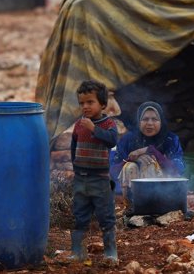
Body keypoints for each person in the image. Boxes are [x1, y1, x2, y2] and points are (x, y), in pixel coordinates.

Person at [70, 80, 119, 263]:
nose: (85, 107)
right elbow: (73, 146)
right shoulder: (78, 125)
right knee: (79, 215)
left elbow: (112, 141)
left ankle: (110, 252)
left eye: (90, 102)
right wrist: (76, 168)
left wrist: (94, 129)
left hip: (100, 179)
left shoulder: (108, 124)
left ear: (103, 104)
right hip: (81, 179)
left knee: (106, 216)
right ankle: (77, 251)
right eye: (82, 103)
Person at [110, 101, 185, 211]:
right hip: (131, 195)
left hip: (164, 195)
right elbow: (113, 171)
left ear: (161, 122)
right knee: (130, 166)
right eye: (145, 119)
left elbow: (177, 170)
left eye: (154, 119)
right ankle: (131, 208)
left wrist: (151, 150)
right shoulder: (128, 139)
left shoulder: (170, 139)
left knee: (150, 162)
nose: (149, 123)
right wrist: (130, 160)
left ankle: (155, 207)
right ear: (139, 121)